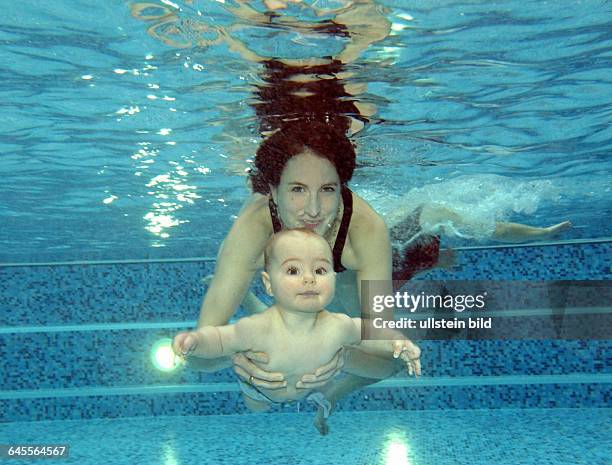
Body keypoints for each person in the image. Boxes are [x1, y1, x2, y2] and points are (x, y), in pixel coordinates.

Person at [173, 229, 421, 429]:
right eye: (294, 271)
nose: (310, 278)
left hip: (313, 373)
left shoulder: (339, 324)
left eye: (320, 271)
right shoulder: (255, 328)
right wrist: (195, 341)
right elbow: (214, 342)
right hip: (262, 388)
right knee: (257, 402)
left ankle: (326, 394)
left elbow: (370, 332)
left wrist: (395, 341)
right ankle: (244, 297)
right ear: (269, 284)